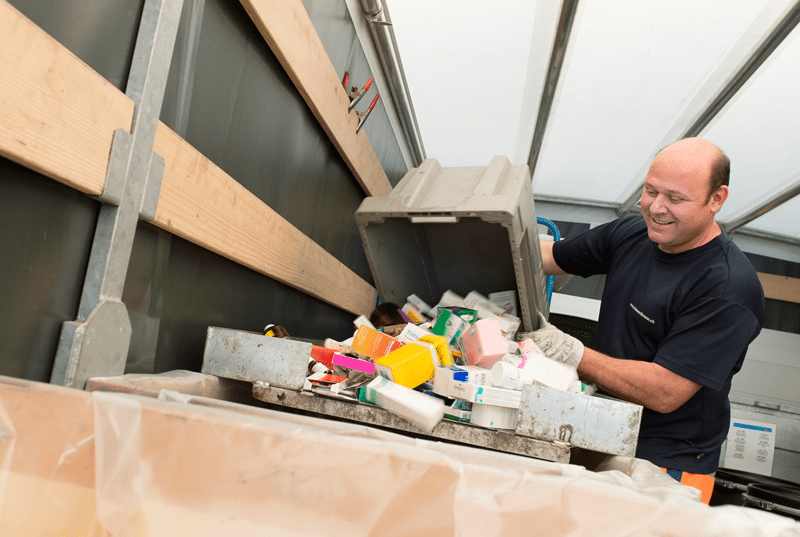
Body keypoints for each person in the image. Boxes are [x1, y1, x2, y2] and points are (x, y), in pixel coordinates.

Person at [531, 137, 764, 503]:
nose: (656, 208)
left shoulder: (727, 286)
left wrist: (568, 351)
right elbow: (550, 256)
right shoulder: (632, 234)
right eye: (650, 190)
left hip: (666, 464)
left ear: (716, 199)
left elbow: (665, 391)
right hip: (601, 431)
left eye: (675, 198)